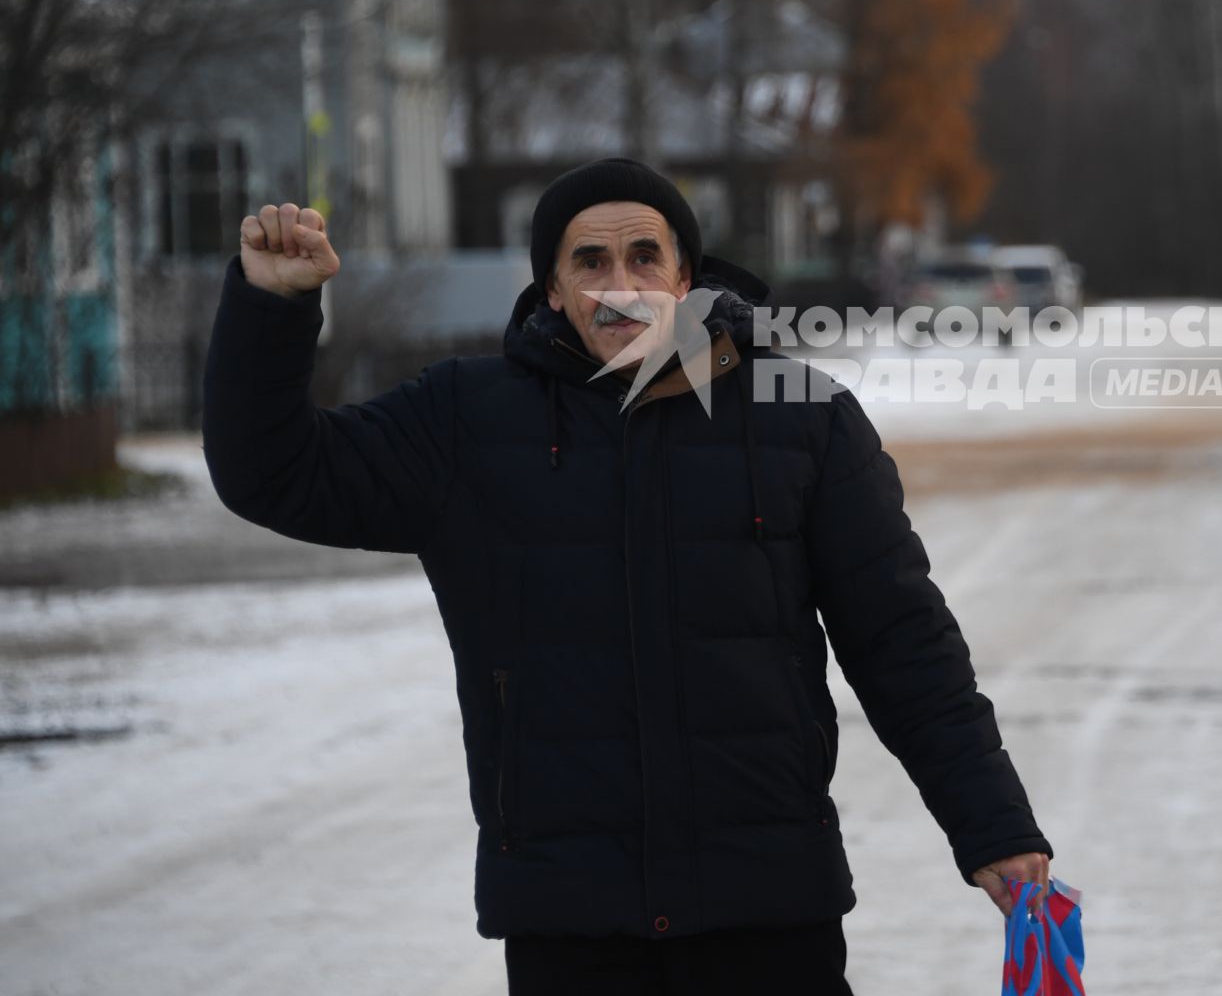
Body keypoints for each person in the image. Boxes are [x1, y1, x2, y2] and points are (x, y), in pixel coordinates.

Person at [201, 157, 1054, 995]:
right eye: (591, 261)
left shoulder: (802, 419)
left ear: (685, 277)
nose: (622, 282)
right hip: (572, 924)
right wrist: (270, 310)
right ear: (551, 291)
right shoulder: (463, 421)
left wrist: (993, 826)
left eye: (646, 255)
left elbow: (903, 641)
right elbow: (273, 473)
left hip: (767, 911)